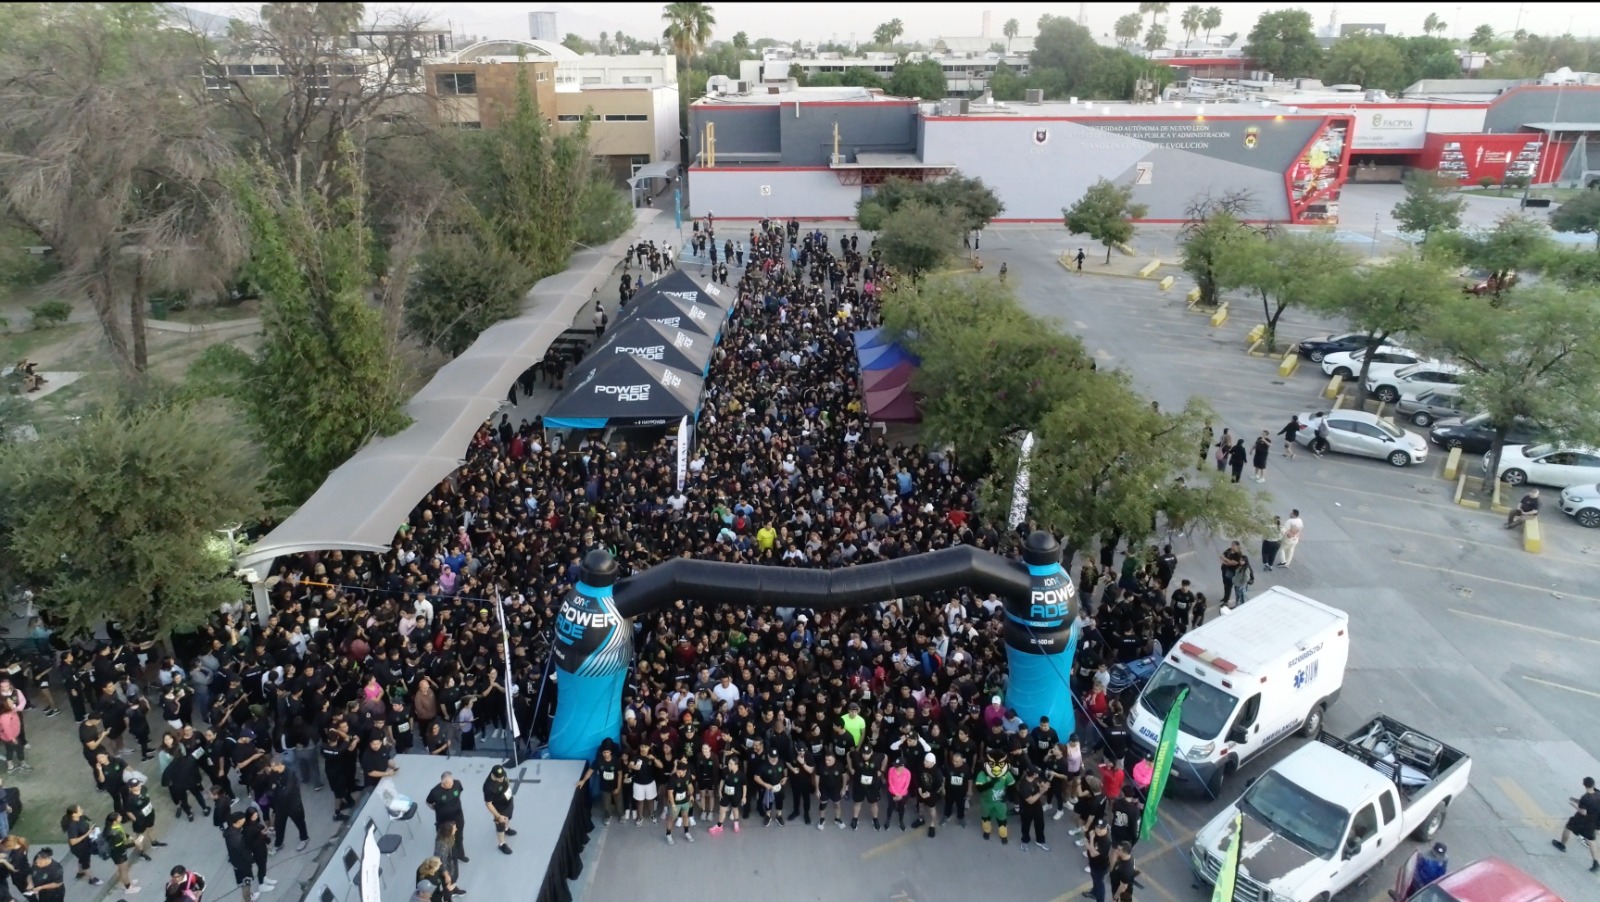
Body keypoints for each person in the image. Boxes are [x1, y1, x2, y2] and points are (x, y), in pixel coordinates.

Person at [1552, 775, 1600, 872]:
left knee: (1568, 827)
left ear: (1584, 785)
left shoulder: (1585, 798)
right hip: (1594, 820)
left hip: (1582, 820)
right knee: (1591, 840)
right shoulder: (1598, 793)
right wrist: (1576, 799)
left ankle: (1562, 845)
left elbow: (1583, 812)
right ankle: (1595, 862)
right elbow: (1585, 803)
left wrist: (1574, 805)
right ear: (1593, 784)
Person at [425, 773, 468, 863]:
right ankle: (448, 856)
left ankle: (460, 854)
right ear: (443, 782)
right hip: (443, 819)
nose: (452, 784)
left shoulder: (457, 784)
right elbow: (428, 802)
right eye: (449, 783)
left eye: (452, 781)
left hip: (458, 815)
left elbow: (459, 794)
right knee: (444, 839)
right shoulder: (435, 792)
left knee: (459, 836)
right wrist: (437, 809)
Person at [59, 806, 100, 887]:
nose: (82, 810)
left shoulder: (81, 818)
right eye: (79, 810)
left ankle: (80, 873)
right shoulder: (72, 826)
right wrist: (87, 834)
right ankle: (92, 879)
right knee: (85, 862)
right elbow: (73, 841)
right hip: (79, 848)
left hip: (86, 844)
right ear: (74, 814)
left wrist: (92, 829)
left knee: (82, 859)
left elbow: (87, 825)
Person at [483, 764, 516, 855]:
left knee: (508, 816)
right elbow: (488, 804)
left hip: (508, 800)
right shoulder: (488, 787)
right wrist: (498, 816)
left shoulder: (502, 775)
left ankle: (506, 828)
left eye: (502, 776)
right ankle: (502, 844)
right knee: (500, 823)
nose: (501, 779)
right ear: (493, 775)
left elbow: (506, 781)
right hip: (499, 807)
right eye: (499, 778)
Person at [711, 754, 745, 835]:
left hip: (736, 795)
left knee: (735, 809)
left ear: (736, 765)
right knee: (722, 809)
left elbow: (744, 786)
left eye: (731, 764)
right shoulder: (725, 770)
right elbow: (722, 781)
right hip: (725, 794)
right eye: (729, 763)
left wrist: (744, 797)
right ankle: (719, 825)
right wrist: (720, 790)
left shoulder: (741, 774)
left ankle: (736, 823)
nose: (729, 765)